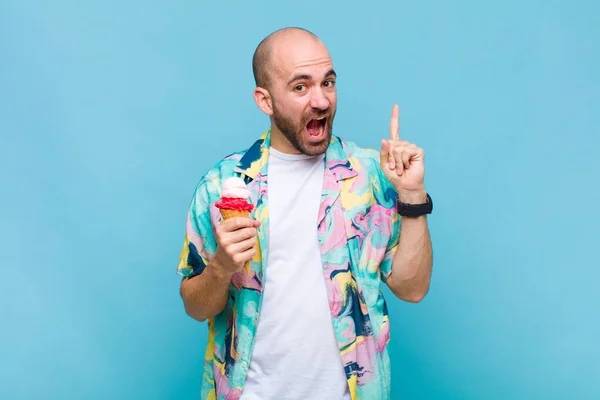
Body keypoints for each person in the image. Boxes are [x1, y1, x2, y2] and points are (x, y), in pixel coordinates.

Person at [176, 27, 433, 400]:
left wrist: (411, 194)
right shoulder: (221, 187)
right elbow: (195, 306)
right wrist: (220, 267)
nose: (322, 100)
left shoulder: (370, 176)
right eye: (300, 87)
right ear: (265, 101)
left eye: (327, 83)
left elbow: (413, 289)